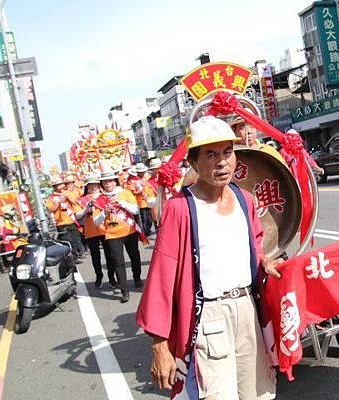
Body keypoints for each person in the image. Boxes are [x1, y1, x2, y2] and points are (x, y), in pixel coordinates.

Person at [137, 115, 280, 399]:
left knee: (258, 393)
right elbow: (162, 276)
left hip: (248, 309)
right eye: (211, 154)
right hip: (209, 317)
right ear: (193, 163)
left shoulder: (245, 201)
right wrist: (159, 344)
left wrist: (264, 261)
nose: (222, 162)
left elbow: (256, 245)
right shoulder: (180, 208)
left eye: (228, 152)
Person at [93, 169, 143, 302]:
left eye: (110, 180)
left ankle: (137, 277)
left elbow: (136, 210)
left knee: (134, 256)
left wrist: (121, 203)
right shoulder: (99, 199)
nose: (108, 183)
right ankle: (124, 290)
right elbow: (96, 222)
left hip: (129, 230)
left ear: (115, 181)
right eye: (105, 182)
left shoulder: (125, 193)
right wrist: (104, 212)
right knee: (118, 262)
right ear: (102, 184)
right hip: (112, 234)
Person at [75, 174, 109, 288]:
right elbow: (77, 215)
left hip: (104, 229)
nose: (93, 186)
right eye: (91, 184)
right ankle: (99, 276)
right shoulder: (82, 199)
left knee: (110, 255)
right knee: (95, 256)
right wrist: (86, 209)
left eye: (95, 184)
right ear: (87, 186)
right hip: (90, 230)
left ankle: (112, 276)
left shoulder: (104, 196)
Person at [46, 176, 85, 263]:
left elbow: (75, 201)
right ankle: (70, 258)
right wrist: (57, 203)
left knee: (75, 239)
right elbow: (50, 209)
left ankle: (75, 256)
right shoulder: (51, 197)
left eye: (62, 184)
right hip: (61, 223)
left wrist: (67, 197)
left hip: (71, 220)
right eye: (59, 185)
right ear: (55, 187)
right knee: (68, 241)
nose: (62, 186)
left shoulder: (68, 193)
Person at [127, 163, 156, 237]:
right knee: (145, 219)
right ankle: (145, 232)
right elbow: (133, 192)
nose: (142, 173)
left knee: (151, 218)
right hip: (141, 202)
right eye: (140, 172)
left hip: (150, 201)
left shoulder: (147, 178)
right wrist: (140, 191)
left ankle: (148, 230)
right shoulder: (133, 181)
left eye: (143, 171)